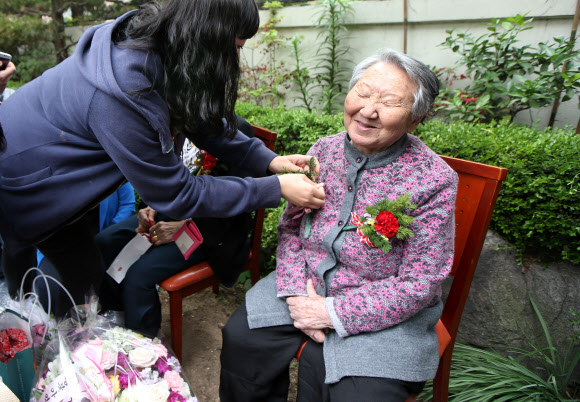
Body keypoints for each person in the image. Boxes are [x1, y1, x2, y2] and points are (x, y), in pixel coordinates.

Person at [0, 0, 325, 312]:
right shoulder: (123, 91)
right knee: (30, 287)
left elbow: (200, 120)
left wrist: (268, 160)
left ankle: (66, 339)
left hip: (55, 174)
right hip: (19, 178)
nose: (234, 62)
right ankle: (34, 345)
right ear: (208, 38)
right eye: (236, 48)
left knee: (84, 274)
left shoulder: (165, 51)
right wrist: (275, 187)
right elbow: (178, 194)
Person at [219, 49, 459, 401]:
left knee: (356, 392)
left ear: (415, 119)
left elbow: (421, 282)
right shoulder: (324, 150)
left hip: (381, 308)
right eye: (362, 93)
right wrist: (296, 291)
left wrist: (333, 312)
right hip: (306, 283)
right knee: (243, 338)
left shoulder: (434, 179)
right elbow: (290, 230)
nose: (368, 110)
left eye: (390, 102)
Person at [95, 116, 257, 338]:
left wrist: (183, 227)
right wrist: (151, 205)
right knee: (106, 241)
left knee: (139, 274)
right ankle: (118, 311)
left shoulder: (236, 131)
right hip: (169, 212)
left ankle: (144, 344)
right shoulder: (182, 124)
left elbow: (240, 203)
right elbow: (165, 176)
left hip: (209, 230)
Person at [35, 182, 136, 315]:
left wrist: (112, 229)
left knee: (99, 291)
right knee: (51, 290)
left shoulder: (111, 166)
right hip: (60, 246)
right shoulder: (54, 172)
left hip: (101, 242)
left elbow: (127, 204)